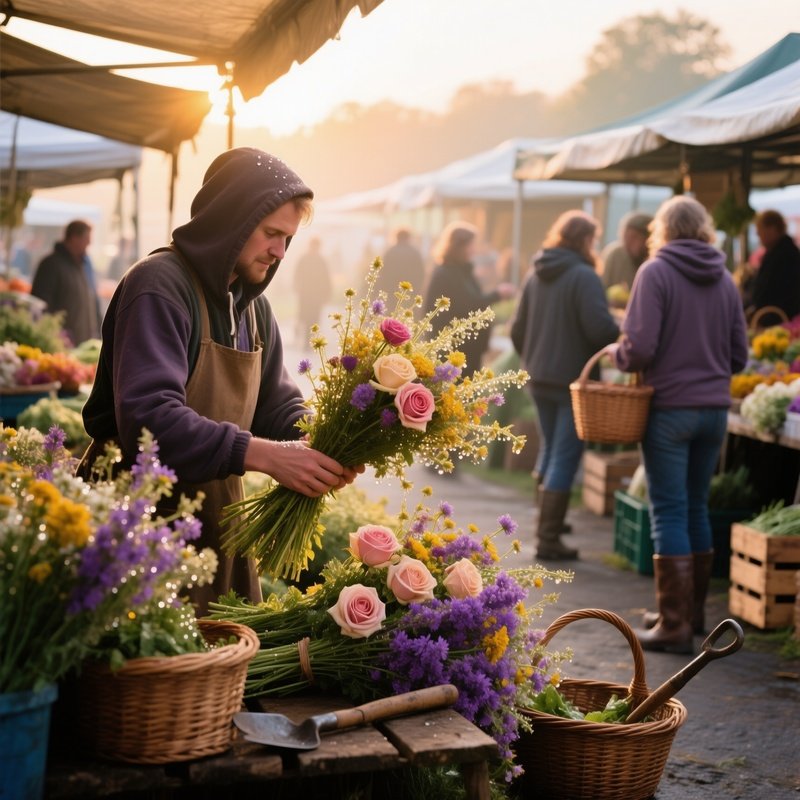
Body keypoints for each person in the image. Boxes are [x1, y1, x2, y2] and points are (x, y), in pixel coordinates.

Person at [80, 148, 362, 613]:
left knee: (219, 675)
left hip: (217, 521)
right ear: (230, 222)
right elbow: (150, 422)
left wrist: (323, 442)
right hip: (138, 525)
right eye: (271, 234)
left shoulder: (253, 306)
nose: (279, 252)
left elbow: (275, 403)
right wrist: (268, 456)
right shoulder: (159, 286)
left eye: (287, 239)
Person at [610, 196, 748, 654]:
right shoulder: (726, 279)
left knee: (668, 510)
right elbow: (739, 356)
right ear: (705, 228)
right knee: (695, 507)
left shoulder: (655, 272)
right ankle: (693, 618)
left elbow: (641, 346)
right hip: (713, 411)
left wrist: (619, 355)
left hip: (670, 409)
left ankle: (673, 626)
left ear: (662, 230)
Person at [510, 211, 619, 561]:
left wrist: (532, 357)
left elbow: (516, 329)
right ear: (586, 240)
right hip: (572, 380)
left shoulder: (535, 272)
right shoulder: (584, 276)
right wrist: (620, 328)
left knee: (551, 449)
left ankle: (547, 522)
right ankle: (548, 537)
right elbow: (599, 330)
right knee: (564, 455)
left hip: (539, 376)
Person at [423, 221, 515, 376]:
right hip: (456, 347)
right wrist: (497, 294)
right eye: (471, 245)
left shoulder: (461, 271)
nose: (474, 249)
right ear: (459, 246)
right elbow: (468, 305)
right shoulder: (447, 273)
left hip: (469, 346)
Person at [31, 220, 100, 345]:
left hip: (82, 342)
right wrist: (53, 337)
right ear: (74, 238)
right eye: (86, 239)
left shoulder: (82, 265)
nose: (90, 243)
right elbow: (40, 305)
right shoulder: (51, 265)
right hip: (60, 345)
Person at [747, 209, 800, 325]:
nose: (758, 235)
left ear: (772, 229)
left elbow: (768, 289)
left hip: (779, 321)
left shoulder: (784, 254)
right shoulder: (781, 251)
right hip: (777, 318)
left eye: (760, 230)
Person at [292, 236, 333, 344]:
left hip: (316, 295)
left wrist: (327, 293)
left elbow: (326, 278)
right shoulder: (304, 259)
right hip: (305, 294)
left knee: (315, 317)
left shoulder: (321, 261)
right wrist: (297, 286)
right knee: (304, 316)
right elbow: (297, 274)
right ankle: (305, 338)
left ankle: (311, 339)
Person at [600, 211, 653, 290]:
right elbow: (602, 285)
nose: (629, 242)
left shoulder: (654, 259)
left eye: (635, 237)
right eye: (626, 236)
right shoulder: (615, 254)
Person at [375, 227, 426, 296]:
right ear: (408, 238)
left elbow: (383, 272)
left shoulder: (390, 252)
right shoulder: (415, 253)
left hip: (391, 290)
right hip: (410, 291)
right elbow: (421, 273)